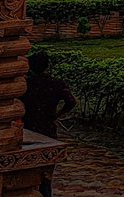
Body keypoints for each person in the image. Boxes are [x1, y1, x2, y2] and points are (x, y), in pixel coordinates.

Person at [21, 51, 76, 196]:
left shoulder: (25, 84)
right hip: (48, 131)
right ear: (47, 66)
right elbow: (71, 102)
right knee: (46, 176)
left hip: (27, 131)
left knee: (27, 173)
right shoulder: (56, 84)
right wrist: (56, 115)